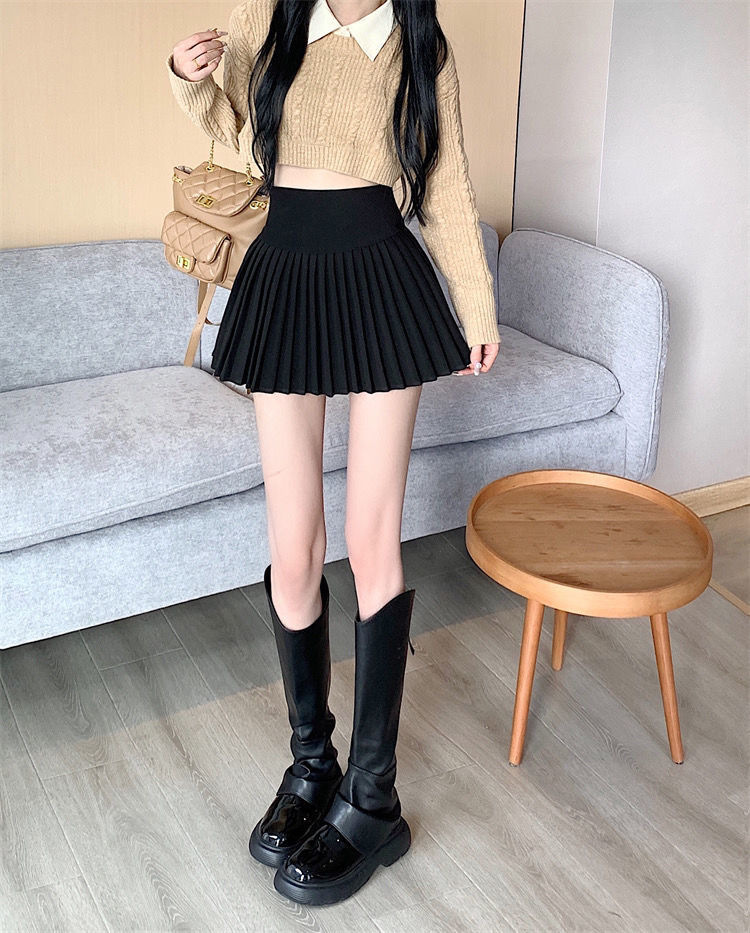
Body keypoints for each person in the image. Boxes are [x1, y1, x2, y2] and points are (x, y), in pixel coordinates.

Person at [167, 0, 501, 907]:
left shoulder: (419, 44)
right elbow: (236, 128)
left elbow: (446, 183)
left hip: (383, 275)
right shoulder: (267, 16)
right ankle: (313, 764)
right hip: (282, 273)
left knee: (372, 536)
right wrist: (189, 78)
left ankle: (373, 796)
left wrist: (477, 307)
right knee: (293, 543)